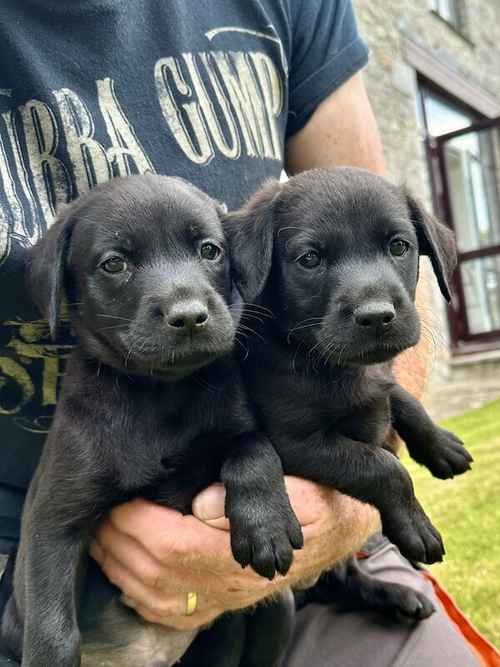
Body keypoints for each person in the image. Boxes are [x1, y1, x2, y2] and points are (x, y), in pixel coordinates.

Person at [0, 0, 481, 665]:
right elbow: (53, 530)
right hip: (51, 579)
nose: (188, 301)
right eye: (117, 263)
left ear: (237, 255)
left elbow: (372, 235)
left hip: (297, 550)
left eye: (209, 252)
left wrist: (344, 514)